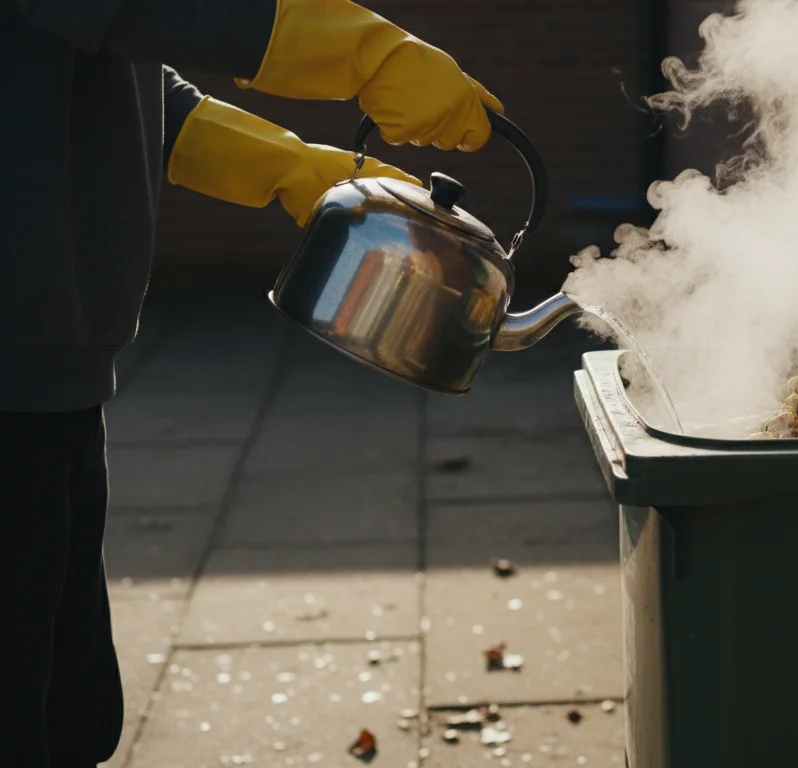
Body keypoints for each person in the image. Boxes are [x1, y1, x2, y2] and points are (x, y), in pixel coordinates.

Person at [2, 1, 503, 764]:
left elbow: (118, 70)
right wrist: (368, 56)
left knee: (71, 713)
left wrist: (283, 162)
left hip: (53, 386)